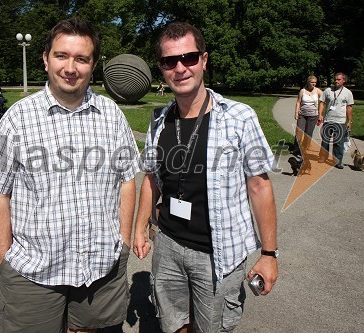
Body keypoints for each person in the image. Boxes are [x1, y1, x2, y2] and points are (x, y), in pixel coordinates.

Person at [0, 17, 140, 333]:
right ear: (46, 59)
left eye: (81, 58)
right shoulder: (18, 118)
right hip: (33, 272)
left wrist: (124, 241)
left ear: (93, 65)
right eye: (62, 55)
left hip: (100, 267)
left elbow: (127, 179)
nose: (70, 67)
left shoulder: (111, 116)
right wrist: (4, 261)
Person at [133, 22, 279, 333]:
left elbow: (260, 186)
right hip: (169, 245)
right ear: (161, 67)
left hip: (218, 253)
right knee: (174, 325)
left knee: (211, 328)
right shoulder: (160, 120)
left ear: (204, 60)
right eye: (169, 61)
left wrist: (268, 254)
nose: (180, 68)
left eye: (189, 57)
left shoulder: (239, 117)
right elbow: (152, 179)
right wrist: (139, 228)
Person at [318, 72, 354, 169]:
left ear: (344, 80)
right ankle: (322, 157)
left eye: (338, 79)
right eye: (335, 79)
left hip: (340, 121)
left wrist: (349, 121)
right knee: (325, 140)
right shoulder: (328, 90)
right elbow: (322, 102)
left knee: (338, 142)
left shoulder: (348, 92)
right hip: (328, 119)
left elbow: (349, 107)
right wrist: (320, 114)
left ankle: (337, 161)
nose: (336, 81)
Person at [292, 75, 323, 156]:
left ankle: (304, 150)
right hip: (302, 114)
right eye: (312, 82)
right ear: (308, 82)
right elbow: (298, 102)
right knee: (299, 132)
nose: (314, 84)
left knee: (308, 133)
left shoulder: (318, 91)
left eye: (315, 82)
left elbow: (324, 100)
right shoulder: (302, 91)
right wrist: (296, 113)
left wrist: (320, 114)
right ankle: (296, 148)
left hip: (313, 115)